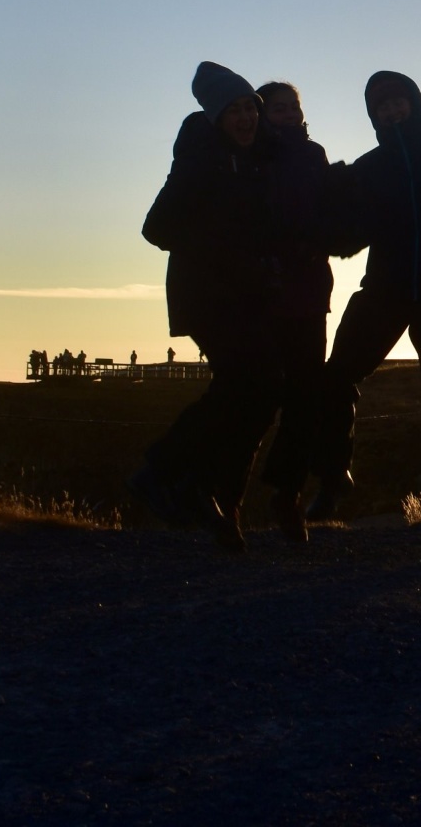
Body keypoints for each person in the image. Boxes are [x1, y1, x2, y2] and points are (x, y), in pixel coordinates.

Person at [309, 71, 421, 524]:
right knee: (334, 381)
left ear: (415, 103)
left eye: (397, 101)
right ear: (373, 117)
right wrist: (327, 202)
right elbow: (348, 238)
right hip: (383, 291)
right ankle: (332, 477)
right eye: (381, 107)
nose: (391, 111)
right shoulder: (367, 168)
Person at [133, 61, 285, 551]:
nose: (245, 119)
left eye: (250, 109)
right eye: (234, 111)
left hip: (247, 295)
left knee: (258, 393)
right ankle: (164, 470)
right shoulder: (202, 158)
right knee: (247, 382)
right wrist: (216, 248)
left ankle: (202, 487)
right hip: (208, 295)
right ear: (216, 117)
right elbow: (156, 228)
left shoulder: (257, 158)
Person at [252, 80, 337, 541]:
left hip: (307, 291)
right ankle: (226, 494)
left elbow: (328, 210)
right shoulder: (252, 156)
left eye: (292, 107)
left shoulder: (313, 154)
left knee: (306, 400)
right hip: (262, 293)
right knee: (261, 396)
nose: (287, 113)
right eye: (277, 107)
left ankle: (287, 495)